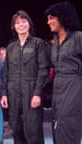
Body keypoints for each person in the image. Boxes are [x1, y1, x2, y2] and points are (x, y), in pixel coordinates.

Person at [1, 10, 50, 144]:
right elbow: (6, 72)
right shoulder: (11, 48)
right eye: (17, 23)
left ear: (29, 24)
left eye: (24, 21)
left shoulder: (37, 44)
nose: (21, 25)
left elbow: (43, 70)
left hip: (31, 93)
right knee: (16, 129)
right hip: (13, 94)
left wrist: (37, 93)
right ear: (14, 26)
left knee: (33, 130)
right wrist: (4, 94)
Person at [45, 2, 82, 144]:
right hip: (58, 88)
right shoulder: (54, 42)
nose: (48, 22)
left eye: (51, 18)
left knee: (69, 125)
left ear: (62, 17)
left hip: (74, 87)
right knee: (57, 124)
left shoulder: (78, 38)